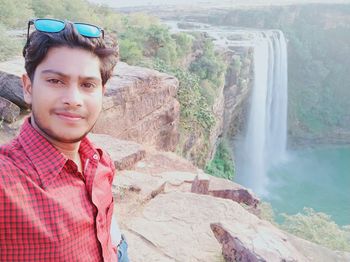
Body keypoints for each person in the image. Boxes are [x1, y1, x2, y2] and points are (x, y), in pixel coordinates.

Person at [0, 18, 128, 261]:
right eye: (55, 81)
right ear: (28, 87)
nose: (73, 99)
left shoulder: (99, 161)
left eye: (87, 84)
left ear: (101, 93)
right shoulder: (6, 184)